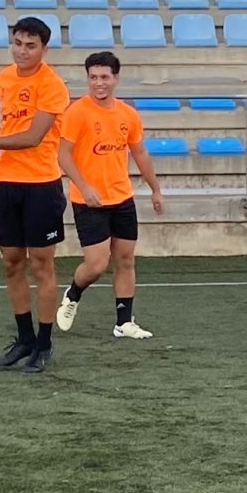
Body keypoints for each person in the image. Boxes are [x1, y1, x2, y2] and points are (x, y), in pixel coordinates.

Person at [0, 16, 70, 372]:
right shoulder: (4, 77)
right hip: (7, 181)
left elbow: (33, 137)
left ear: (44, 49)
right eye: (17, 43)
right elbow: (13, 124)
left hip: (41, 183)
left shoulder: (52, 85)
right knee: (11, 262)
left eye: (30, 45)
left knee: (41, 264)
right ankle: (24, 340)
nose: (22, 51)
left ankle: (44, 343)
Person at [52, 49, 164, 341]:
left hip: (121, 198)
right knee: (97, 265)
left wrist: (155, 189)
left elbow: (139, 152)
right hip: (89, 201)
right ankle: (73, 294)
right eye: (93, 77)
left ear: (116, 78)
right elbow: (63, 155)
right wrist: (84, 187)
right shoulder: (77, 112)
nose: (98, 83)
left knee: (126, 259)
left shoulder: (128, 114)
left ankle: (124, 322)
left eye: (104, 77)